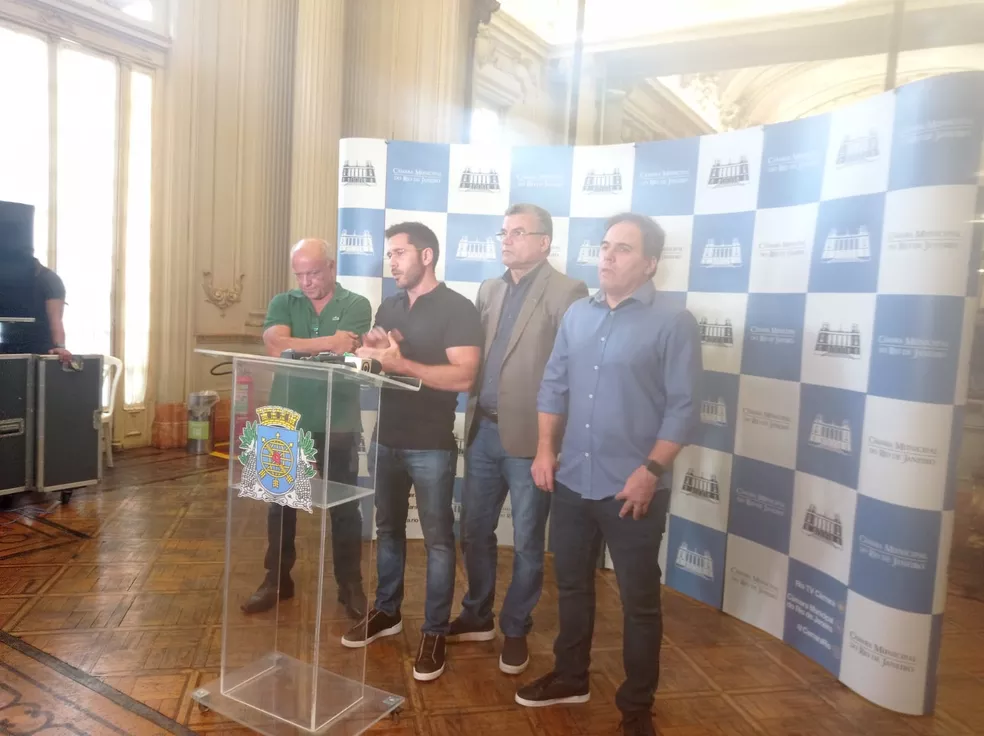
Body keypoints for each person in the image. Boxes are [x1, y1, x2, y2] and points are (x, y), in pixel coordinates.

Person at [515, 213, 703, 736]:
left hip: (633, 489)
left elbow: (684, 409)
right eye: (604, 246)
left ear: (650, 263)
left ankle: (636, 710)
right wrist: (545, 450)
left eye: (622, 249)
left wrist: (651, 470)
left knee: (639, 604)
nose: (607, 256)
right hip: (573, 479)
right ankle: (571, 677)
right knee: (573, 587)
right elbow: (553, 387)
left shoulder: (674, 322)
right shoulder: (578, 314)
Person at [450, 204, 587, 675]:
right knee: (474, 531)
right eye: (503, 232)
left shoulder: (568, 291)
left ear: (544, 242)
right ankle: (477, 614)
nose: (506, 240)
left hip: (532, 438)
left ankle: (515, 627)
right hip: (482, 430)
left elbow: (571, 370)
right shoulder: (489, 289)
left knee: (528, 540)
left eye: (517, 232)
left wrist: (555, 442)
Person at [344, 222, 483, 683]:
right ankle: (387, 612)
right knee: (387, 530)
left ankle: (435, 632)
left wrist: (400, 362)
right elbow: (381, 365)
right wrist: (369, 356)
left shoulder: (458, 308)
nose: (392, 262)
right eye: (389, 254)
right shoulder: (389, 305)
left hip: (431, 444)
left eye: (399, 253)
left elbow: (464, 377)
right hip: (386, 437)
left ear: (426, 256)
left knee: (439, 542)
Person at [240, 238, 370, 620]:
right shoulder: (284, 301)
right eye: (300, 274)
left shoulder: (357, 304)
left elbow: (344, 353)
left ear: (331, 267)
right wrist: (329, 341)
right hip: (283, 418)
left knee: (344, 508)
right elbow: (275, 348)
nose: (306, 282)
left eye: (313, 273)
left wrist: (300, 346)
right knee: (279, 505)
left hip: (338, 420)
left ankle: (350, 585)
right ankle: (277, 580)